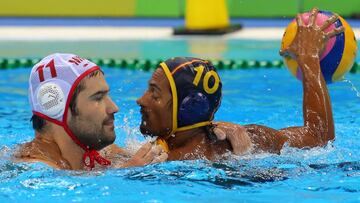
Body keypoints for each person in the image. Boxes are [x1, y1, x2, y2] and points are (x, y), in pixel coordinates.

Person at [137, 8, 344, 160]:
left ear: (188, 108)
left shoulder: (164, 163)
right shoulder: (248, 139)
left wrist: (126, 169)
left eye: (154, 94)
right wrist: (309, 59)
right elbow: (319, 136)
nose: (140, 100)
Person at [15, 53, 168, 170]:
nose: (114, 107)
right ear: (54, 105)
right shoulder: (34, 170)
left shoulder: (104, 153)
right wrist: (126, 174)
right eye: (98, 98)